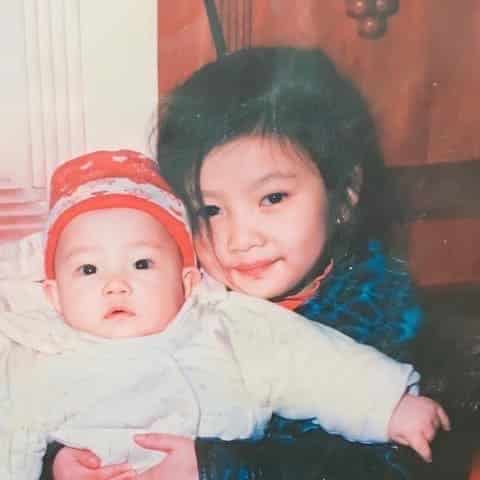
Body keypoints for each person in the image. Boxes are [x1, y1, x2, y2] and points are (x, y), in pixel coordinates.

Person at [41, 46, 453, 480]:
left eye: (272, 198)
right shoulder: (178, 297)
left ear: (344, 193)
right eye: (210, 210)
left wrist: (217, 468)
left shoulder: (385, 317)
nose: (240, 240)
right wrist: (65, 458)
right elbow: (84, 386)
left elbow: (380, 465)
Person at [0, 150, 447, 480]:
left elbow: (308, 361)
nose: (115, 284)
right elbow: (11, 441)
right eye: (88, 269)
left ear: (187, 281)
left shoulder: (222, 327)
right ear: (54, 296)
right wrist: (53, 469)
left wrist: (389, 405)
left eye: (141, 263)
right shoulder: (38, 359)